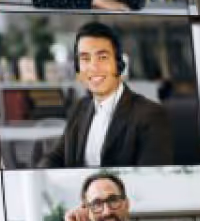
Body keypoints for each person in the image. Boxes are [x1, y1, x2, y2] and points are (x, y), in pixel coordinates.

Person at [37, 22, 178, 168]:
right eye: (85, 59)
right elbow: (57, 155)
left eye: (102, 57)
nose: (93, 67)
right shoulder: (80, 107)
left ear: (118, 64)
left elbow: (154, 178)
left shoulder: (150, 115)